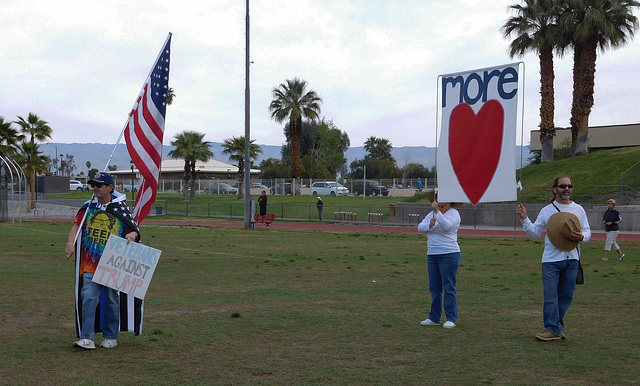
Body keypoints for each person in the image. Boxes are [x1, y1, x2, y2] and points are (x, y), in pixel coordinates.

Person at [65, 172, 140, 350]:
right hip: (90, 262)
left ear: (110, 188)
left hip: (113, 262)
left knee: (113, 300)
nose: (95, 188)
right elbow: (77, 226)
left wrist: (132, 234)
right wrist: (70, 244)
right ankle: (87, 338)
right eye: (93, 184)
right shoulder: (88, 207)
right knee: (88, 297)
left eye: (99, 184)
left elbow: (133, 228)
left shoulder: (120, 208)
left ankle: (111, 336)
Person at [517, 175, 591, 341]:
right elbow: (534, 233)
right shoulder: (547, 210)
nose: (567, 189)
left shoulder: (579, 209)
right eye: (563, 186)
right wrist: (524, 219)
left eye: (569, 186)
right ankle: (552, 329)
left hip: (572, 259)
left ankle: (555, 328)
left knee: (566, 296)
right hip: (551, 260)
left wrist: (581, 237)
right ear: (554, 189)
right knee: (551, 296)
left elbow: (587, 231)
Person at [417, 191, 462, 329]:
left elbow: (447, 226)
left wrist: (437, 212)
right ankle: (434, 317)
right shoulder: (431, 214)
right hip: (432, 254)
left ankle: (451, 318)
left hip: (449, 254)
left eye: (440, 198)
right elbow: (420, 227)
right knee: (434, 288)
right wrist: (429, 226)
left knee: (448, 287)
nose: (437, 200)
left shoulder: (454, 214)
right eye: (436, 198)